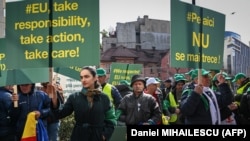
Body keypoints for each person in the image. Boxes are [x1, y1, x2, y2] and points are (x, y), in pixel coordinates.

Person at [51, 66, 116, 141]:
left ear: (95, 78)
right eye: (81, 77)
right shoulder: (74, 97)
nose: (83, 80)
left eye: (86, 76)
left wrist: (104, 135)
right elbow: (60, 113)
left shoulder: (104, 98)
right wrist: (54, 99)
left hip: (97, 137)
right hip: (79, 136)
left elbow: (111, 119)